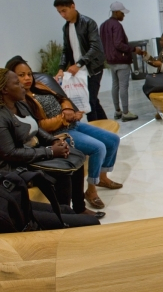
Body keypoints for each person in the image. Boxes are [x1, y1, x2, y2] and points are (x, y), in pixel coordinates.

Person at [7, 56, 122, 211]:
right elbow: (39, 126)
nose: (27, 78)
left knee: (113, 139)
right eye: (21, 76)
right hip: (60, 131)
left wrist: (68, 109)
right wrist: (64, 119)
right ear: (10, 79)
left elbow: (62, 98)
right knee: (98, 148)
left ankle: (102, 178)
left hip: (73, 123)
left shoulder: (39, 86)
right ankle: (91, 190)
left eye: (29, 74)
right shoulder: (20, 100)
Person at [0, 68, 103, 222]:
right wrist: (50, 152)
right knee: (63, 172)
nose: (22, 84)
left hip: (35, 153)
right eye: (17, 82)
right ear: (4, 89)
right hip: (19, 165)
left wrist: (53, 141)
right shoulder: (2, 116)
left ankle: (79, 208)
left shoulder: (20, 105)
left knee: (75, 157)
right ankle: (64, 216)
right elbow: (11, 153)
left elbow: (37, 129)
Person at [53, 0, 107, 122]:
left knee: (89, 104)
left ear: (73, 6)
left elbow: (96, 48)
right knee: (93, 100)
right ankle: (108, 129)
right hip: (79, 71)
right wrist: (61, 68)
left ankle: (97, 136)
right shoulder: (66, 28)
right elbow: (66, 50)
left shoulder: (88, 23)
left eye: (64, 11)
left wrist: (78, 64)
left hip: (93, 69)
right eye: (59, 12)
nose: (62, 15)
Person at [99, 1, 141, 122]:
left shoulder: (103, 25)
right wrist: (133, 49)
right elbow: (118, 44)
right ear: (116, 12)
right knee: (123, 86)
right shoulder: (117, 25)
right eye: (122, 13)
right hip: (121, 60)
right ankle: (126, 112)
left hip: (110, 61)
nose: (124, 16)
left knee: (115, 85)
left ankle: (117, 111)